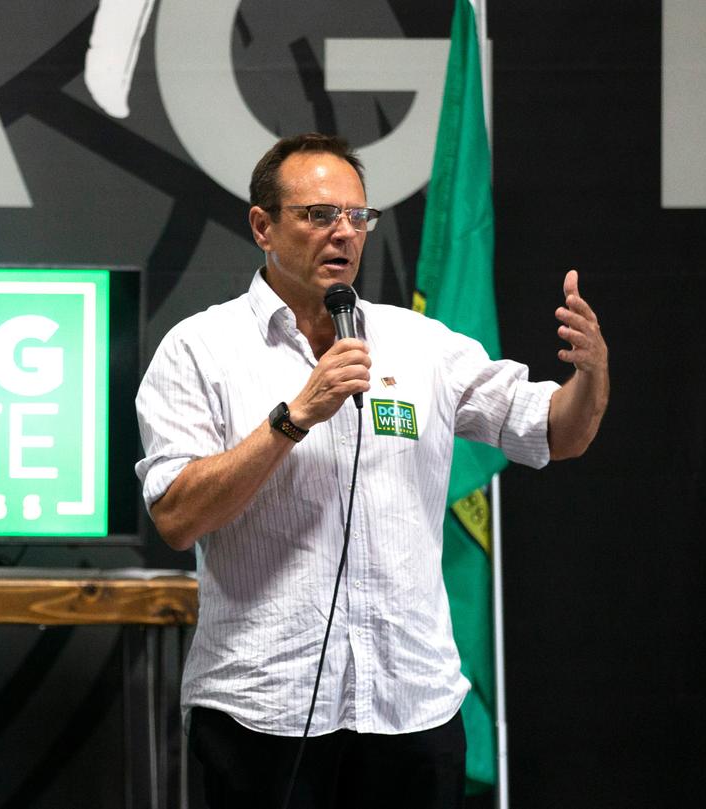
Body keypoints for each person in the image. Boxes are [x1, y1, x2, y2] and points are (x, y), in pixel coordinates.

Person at [134, 132, 609, 809]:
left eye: (358, 216)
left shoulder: (422, 344)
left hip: (410, 707)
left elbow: (556, 431)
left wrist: (591, 377)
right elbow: (177, 516)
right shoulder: (198, 350)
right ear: (263, 227)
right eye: (319, 214)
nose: (344, 232)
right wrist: (294, 418)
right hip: (263, 710)